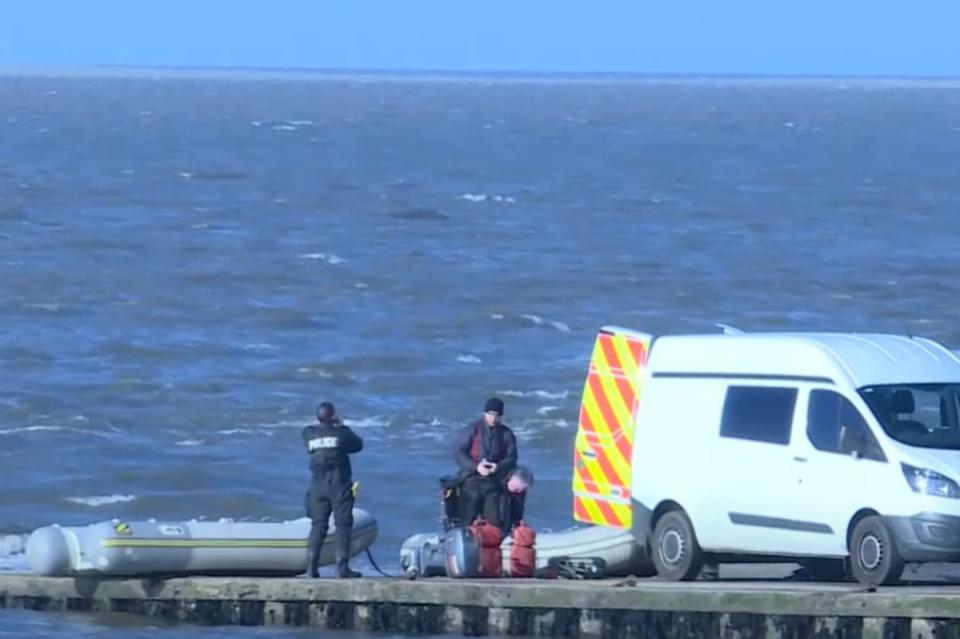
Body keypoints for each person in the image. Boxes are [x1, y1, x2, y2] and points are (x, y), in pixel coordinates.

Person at [302, 401, 364, 578]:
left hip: (317, 486)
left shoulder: (308, 434)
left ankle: (311, 568)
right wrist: (340, 424)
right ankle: (342, 568)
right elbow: (358, 445)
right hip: (338, 485)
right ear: (333, 415)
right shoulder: (341, 434)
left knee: (318, 526)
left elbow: (310, 447)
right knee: (343, 525)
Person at [453, 397, 518, 529]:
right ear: (485, 413)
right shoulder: (473, 430)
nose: (493, 418)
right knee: (468, 514)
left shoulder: (506, 434)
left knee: (495, 520)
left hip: (493, 482)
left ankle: (493, 541)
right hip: (472, 479)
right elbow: (459, 452)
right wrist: (476, 467)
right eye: (490, 414)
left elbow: (512, 457)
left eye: (496, 415)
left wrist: (498, 467)